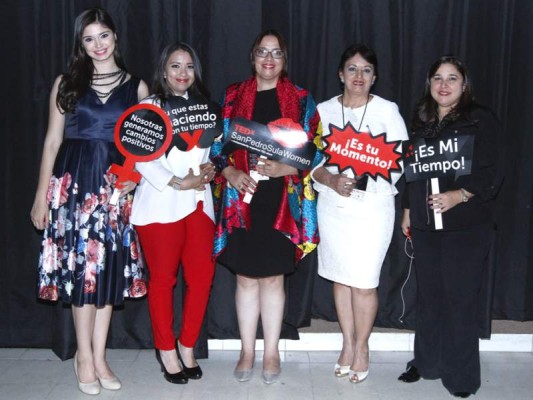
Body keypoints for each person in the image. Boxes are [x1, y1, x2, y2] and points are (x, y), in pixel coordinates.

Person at [30, 7, 149, 395]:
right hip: (74, 186)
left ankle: (100, 357)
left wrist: (135, 181)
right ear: (80, 44)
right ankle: (83, 356)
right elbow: (51, 142)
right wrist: (40, 197)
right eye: (89, 38)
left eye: (103, 36)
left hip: (113, 189)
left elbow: (146, 150)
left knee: (107, 271)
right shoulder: (66, 83)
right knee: (84, 273)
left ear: (115, 36)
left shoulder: (138, 87)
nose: (98, 45)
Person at [210, 29, 322, 384]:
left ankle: (271, 352)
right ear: (252, 57)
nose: (269, 60)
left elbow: (316, 149)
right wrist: (229, 172)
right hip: (241, 200)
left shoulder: (302, 99)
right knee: (245, 279)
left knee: (273, 279)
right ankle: (247, 351)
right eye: (262, 52)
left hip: (281, 203)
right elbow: (216, 148)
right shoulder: (233, 96)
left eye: (276, 53)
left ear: (284, 61)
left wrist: (286, 167)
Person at [397, 55, 503, 398]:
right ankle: (426, 363)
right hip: (427, 225)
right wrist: (409, 209)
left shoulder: (480, 119)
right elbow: (413, 173)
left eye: (452, 78)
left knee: (459, 299)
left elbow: (494, 172)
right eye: (437, 78)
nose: (444, 85)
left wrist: (460, 194)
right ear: (429, 85)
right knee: (429, 297)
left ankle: (461, 376)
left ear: (464, 84)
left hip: (466, 226)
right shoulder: (421, 123)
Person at [312, 44, 408, 383]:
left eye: (366, 70)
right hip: (333, 207)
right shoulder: (322, 112)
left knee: (364, 282)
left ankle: (363, 346)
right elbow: (311, 164)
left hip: (372, 210)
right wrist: (331, 179)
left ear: (374, 77)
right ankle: (348, 343)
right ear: (340, 74)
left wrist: (359, 182)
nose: (358, 76)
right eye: (352, 69)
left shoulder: (387, 111)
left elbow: (398, 164)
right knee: (341, 278)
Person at [131, 42, 219, 385]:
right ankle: (166, 350)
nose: (183, 73)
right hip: (161, 205)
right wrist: (175, 181)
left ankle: (187, 345)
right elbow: (140, 156)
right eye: (175, 66)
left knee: (201, 280)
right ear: (163, 71)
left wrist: (210, 167)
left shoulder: (206, 108)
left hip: (199, 204)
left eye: (189, 67)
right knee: (164, 280)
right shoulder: (149, 107)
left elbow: (210, 152)